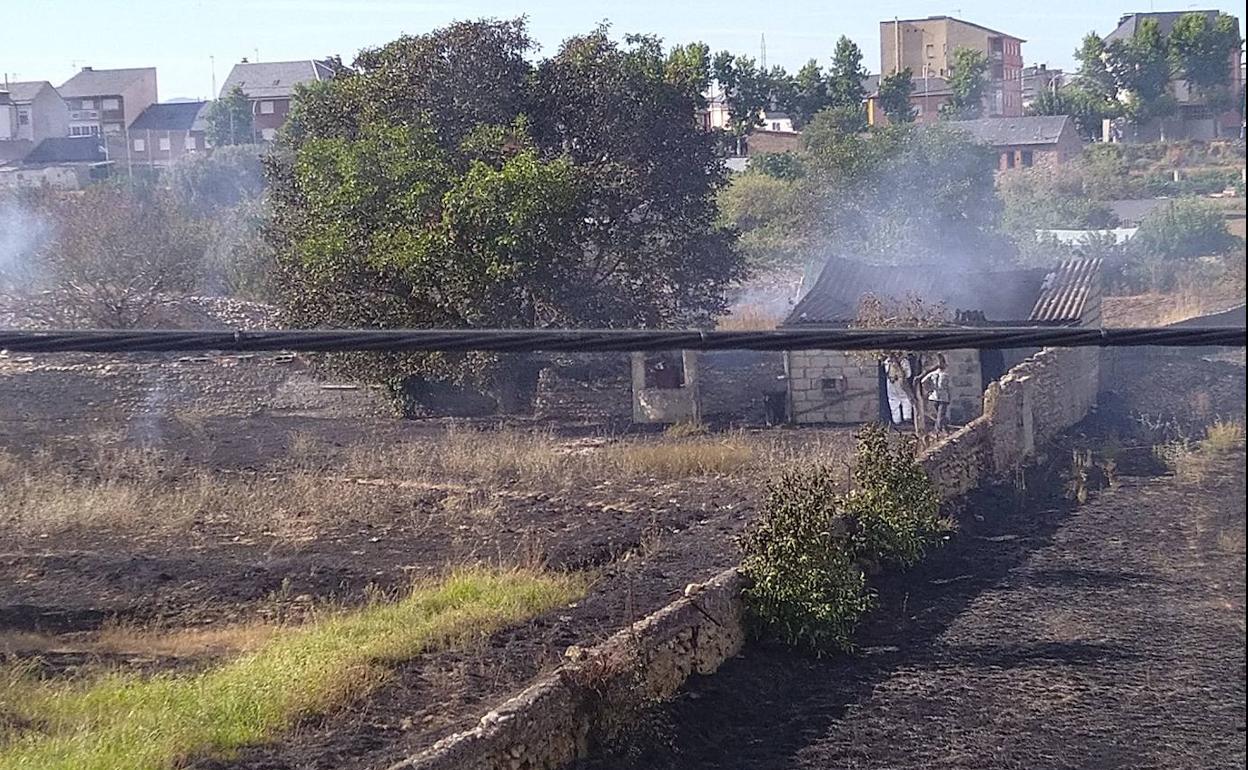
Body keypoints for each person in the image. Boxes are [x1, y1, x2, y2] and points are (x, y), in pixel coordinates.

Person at [921, 354, 952, 433]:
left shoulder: (932, 374)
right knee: (940, 415)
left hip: (934, 397)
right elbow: (948, 387)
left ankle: (945, 428)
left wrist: (929, 389)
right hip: (942, 397)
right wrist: (949, 396)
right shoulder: (945, 375)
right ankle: (937, 430)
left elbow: (923, 381)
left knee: (940, 414)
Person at [884, 354, 913, 429]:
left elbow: (908, 374)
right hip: (894, 383)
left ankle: (902, 420)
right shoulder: (889, 361)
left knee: (902, 401)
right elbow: (908, 374)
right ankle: (900, 420)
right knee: (899, 401)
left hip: (897, 383)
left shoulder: (901, 361)